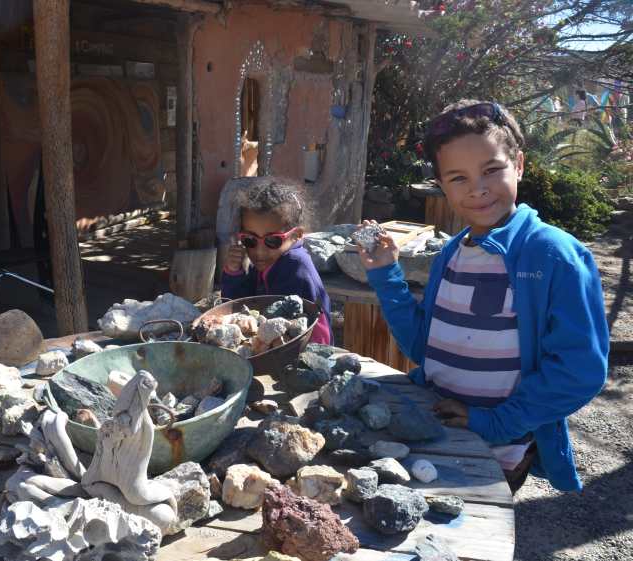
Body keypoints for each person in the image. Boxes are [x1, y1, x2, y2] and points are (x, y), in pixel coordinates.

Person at [357, 100, 608, 493]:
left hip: (499, 454)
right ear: (441, 186)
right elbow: (424, 348)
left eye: (491, 170)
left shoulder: (553, 255)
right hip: (436, 432)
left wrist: (495, 423)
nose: (477, 188)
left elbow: (581, 370)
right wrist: (386, 275)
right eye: (458, 178)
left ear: (519, 164)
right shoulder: (451, 253)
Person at [222, 177, 332, 345]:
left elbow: (277, 329)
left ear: (296, 235)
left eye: (272, 241)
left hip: (306, 350)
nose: (259, 251)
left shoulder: (295, 268)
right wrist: (233, 272)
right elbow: (240, 307)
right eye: (250, 240)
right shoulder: (266, 263)